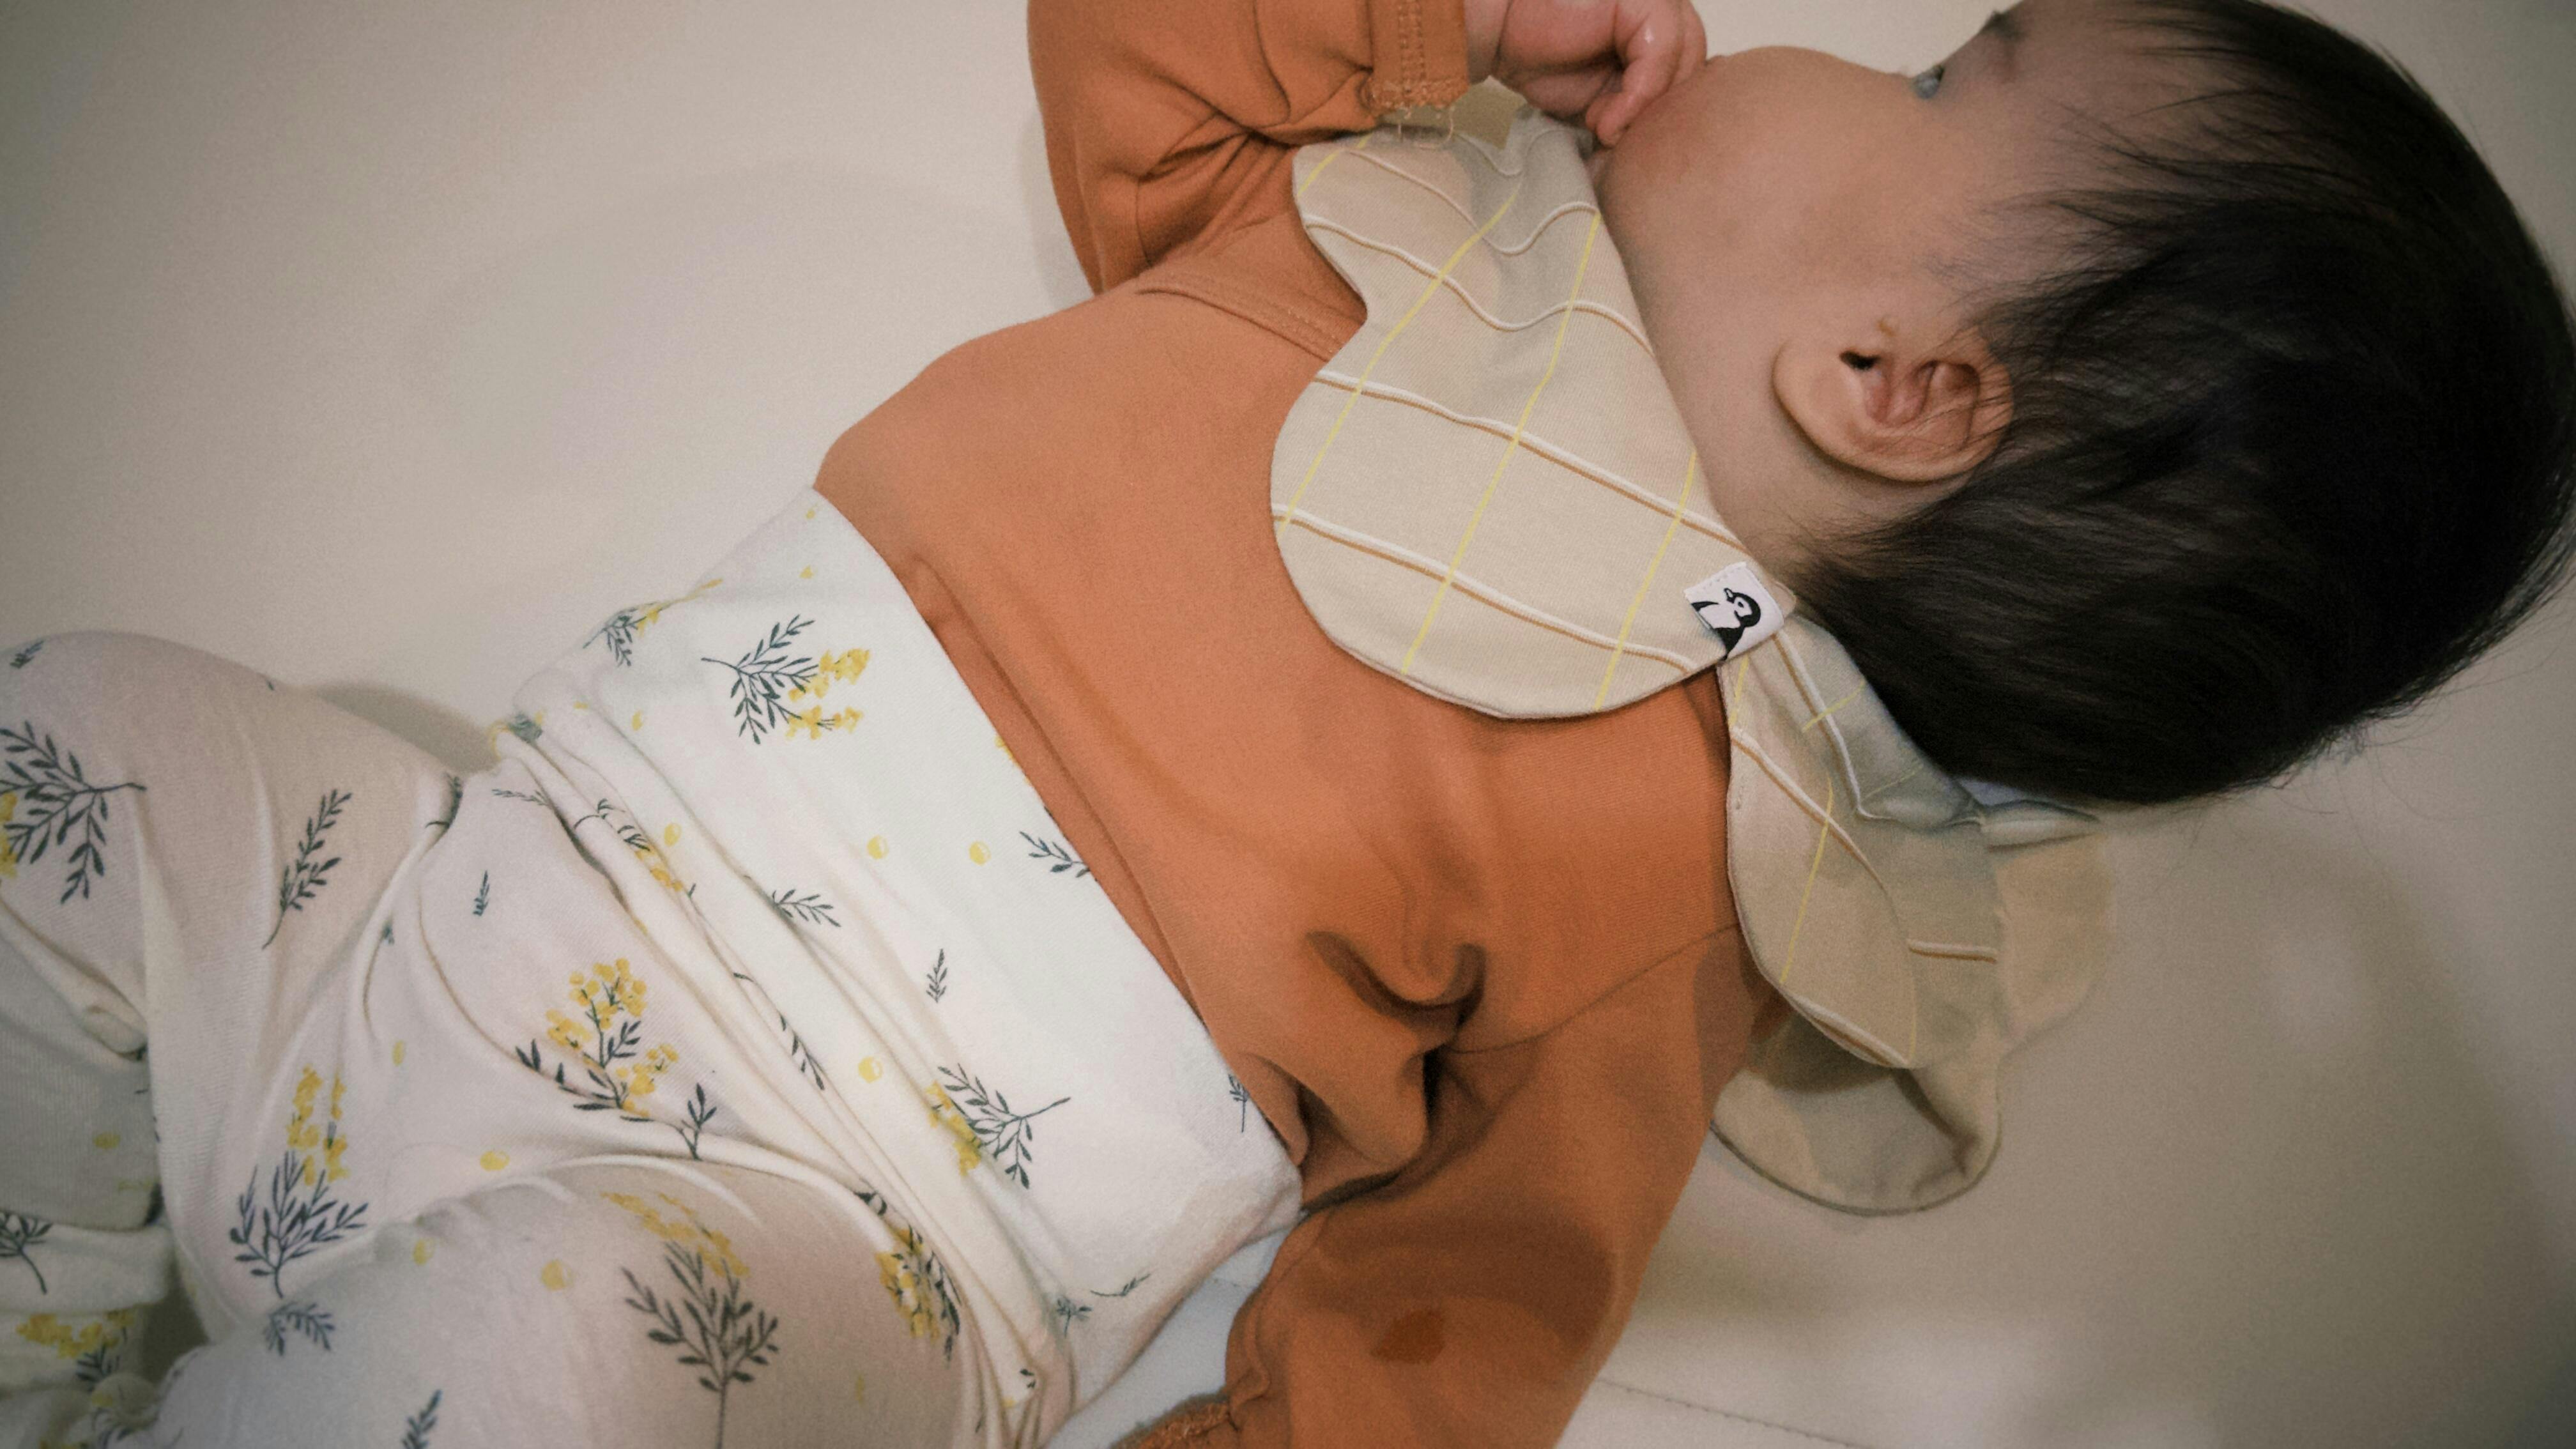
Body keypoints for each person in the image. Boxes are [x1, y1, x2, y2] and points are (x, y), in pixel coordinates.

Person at [1, 3, 2567, 1449]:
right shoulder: (1390, 221)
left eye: (1934, 80)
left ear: (1896, 380)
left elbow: (1451, 1333)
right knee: (75, 742)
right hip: (451, 901)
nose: (1831, 50)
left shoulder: (1681, 855)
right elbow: (1137, 46)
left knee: (543, 1355)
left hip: (808, 1257)